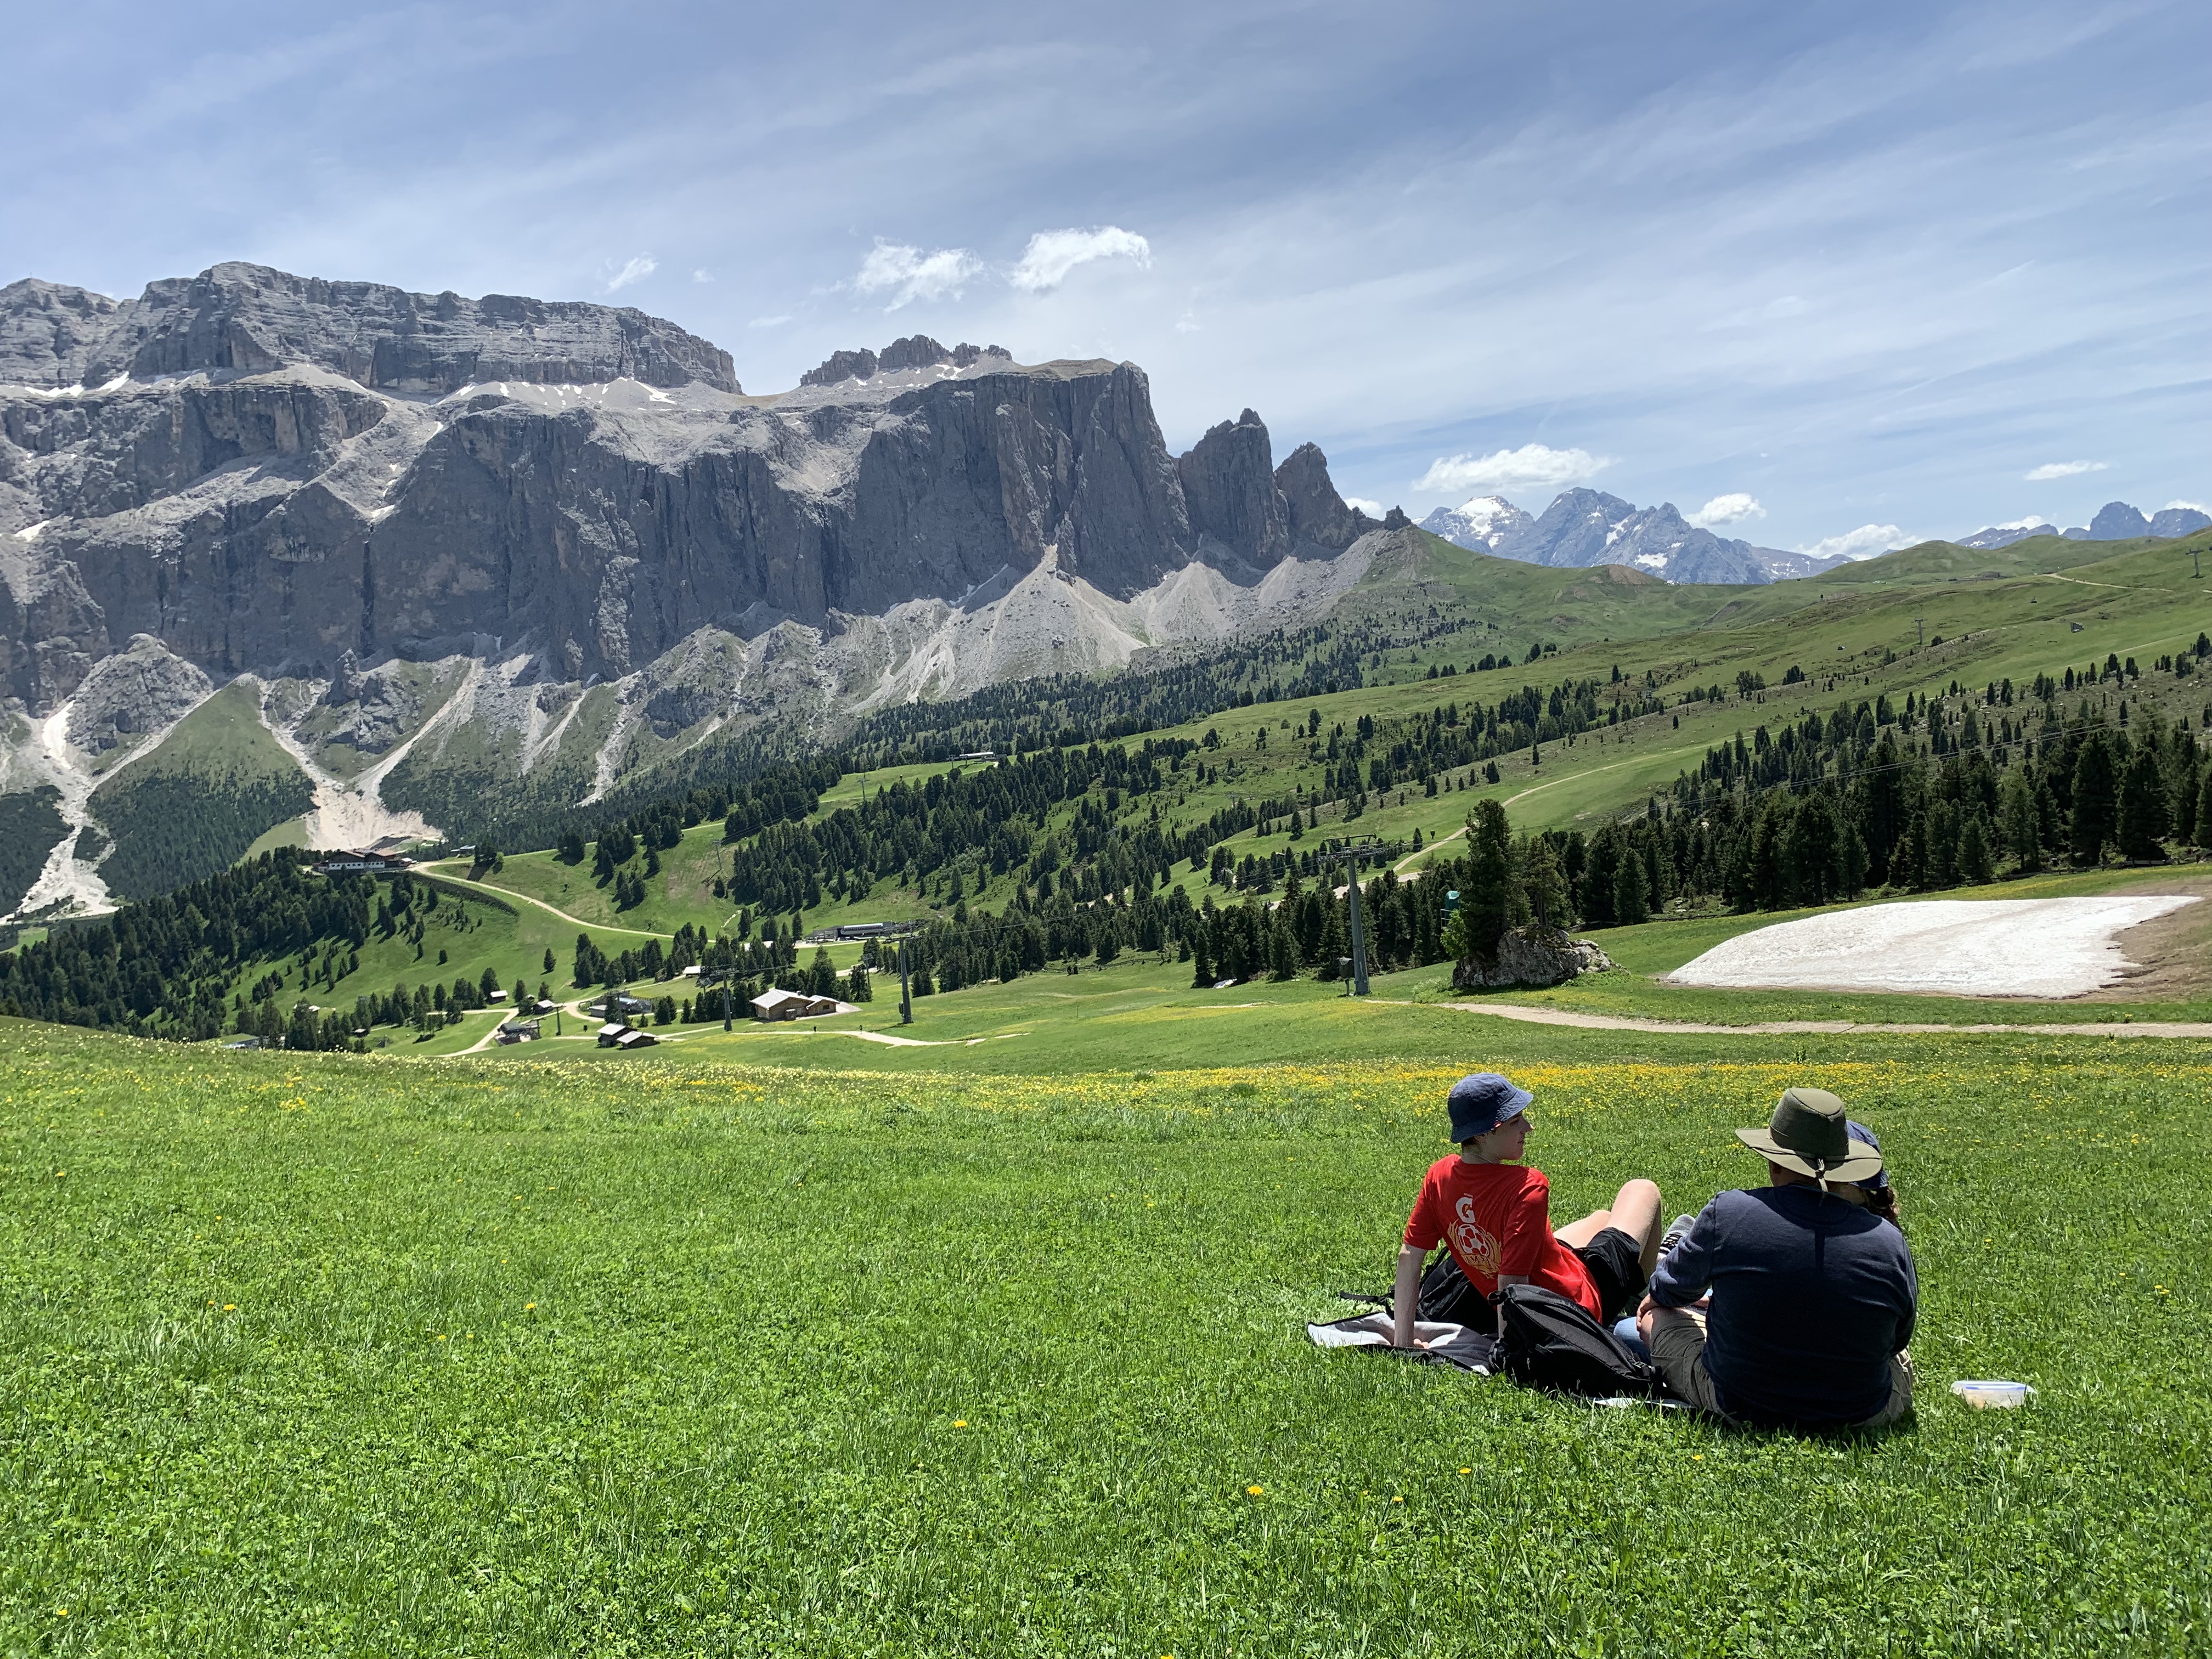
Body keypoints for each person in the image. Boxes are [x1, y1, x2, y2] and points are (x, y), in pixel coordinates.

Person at [1637, 1086, 1916, 1430]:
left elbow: (1667, 1291)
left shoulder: (1728, 1212)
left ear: (1774, 1159)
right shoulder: (1890, 1240)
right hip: (1862, 1414)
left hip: (1740, 1403)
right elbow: (1898, 1338)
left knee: (1659, 1314)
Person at [1391, 1072, 1663, 1348]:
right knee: (1643, 1189)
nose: (1528, 1127)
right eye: (1515, 1121)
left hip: (1556, 1274)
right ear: (1485, 1133)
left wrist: (1402, 1342)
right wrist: (1508, 1352)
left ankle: (1635, 1283)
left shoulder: (1439, 1176)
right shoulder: (1527, 1185)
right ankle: (1648, 1298)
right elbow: (1512, 1283)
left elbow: (1409, 1255)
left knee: (1602, 1219)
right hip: (1578, 1308)